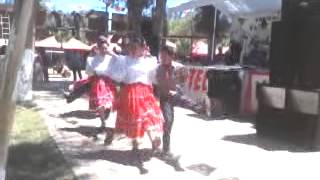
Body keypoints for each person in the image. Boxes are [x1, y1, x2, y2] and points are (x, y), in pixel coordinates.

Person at [107, 35, 163, 174]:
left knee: (148, 118)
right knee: (134, 122)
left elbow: (154, 77)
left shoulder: (149, 61)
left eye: (136, 47)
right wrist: (122, 64)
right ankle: (135, 147)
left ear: (143, 48)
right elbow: (118, 76)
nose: (133, 49)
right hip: (130, 93)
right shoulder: (124, 60)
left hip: (145, 93)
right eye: (131, 46)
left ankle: (153, 142)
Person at [64, 36, 117, 132]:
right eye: (102, 48)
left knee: (109, 104)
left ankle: (106, 113)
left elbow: (121, 63)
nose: (104, 50)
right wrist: (94, 72)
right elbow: (89, 72)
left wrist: (113, 53)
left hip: (109, 83)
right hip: (98, 83)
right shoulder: (92, 59)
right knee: (100, 104)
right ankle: (103, 123)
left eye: (106, 48)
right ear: (98, 48)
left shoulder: (111, 58)